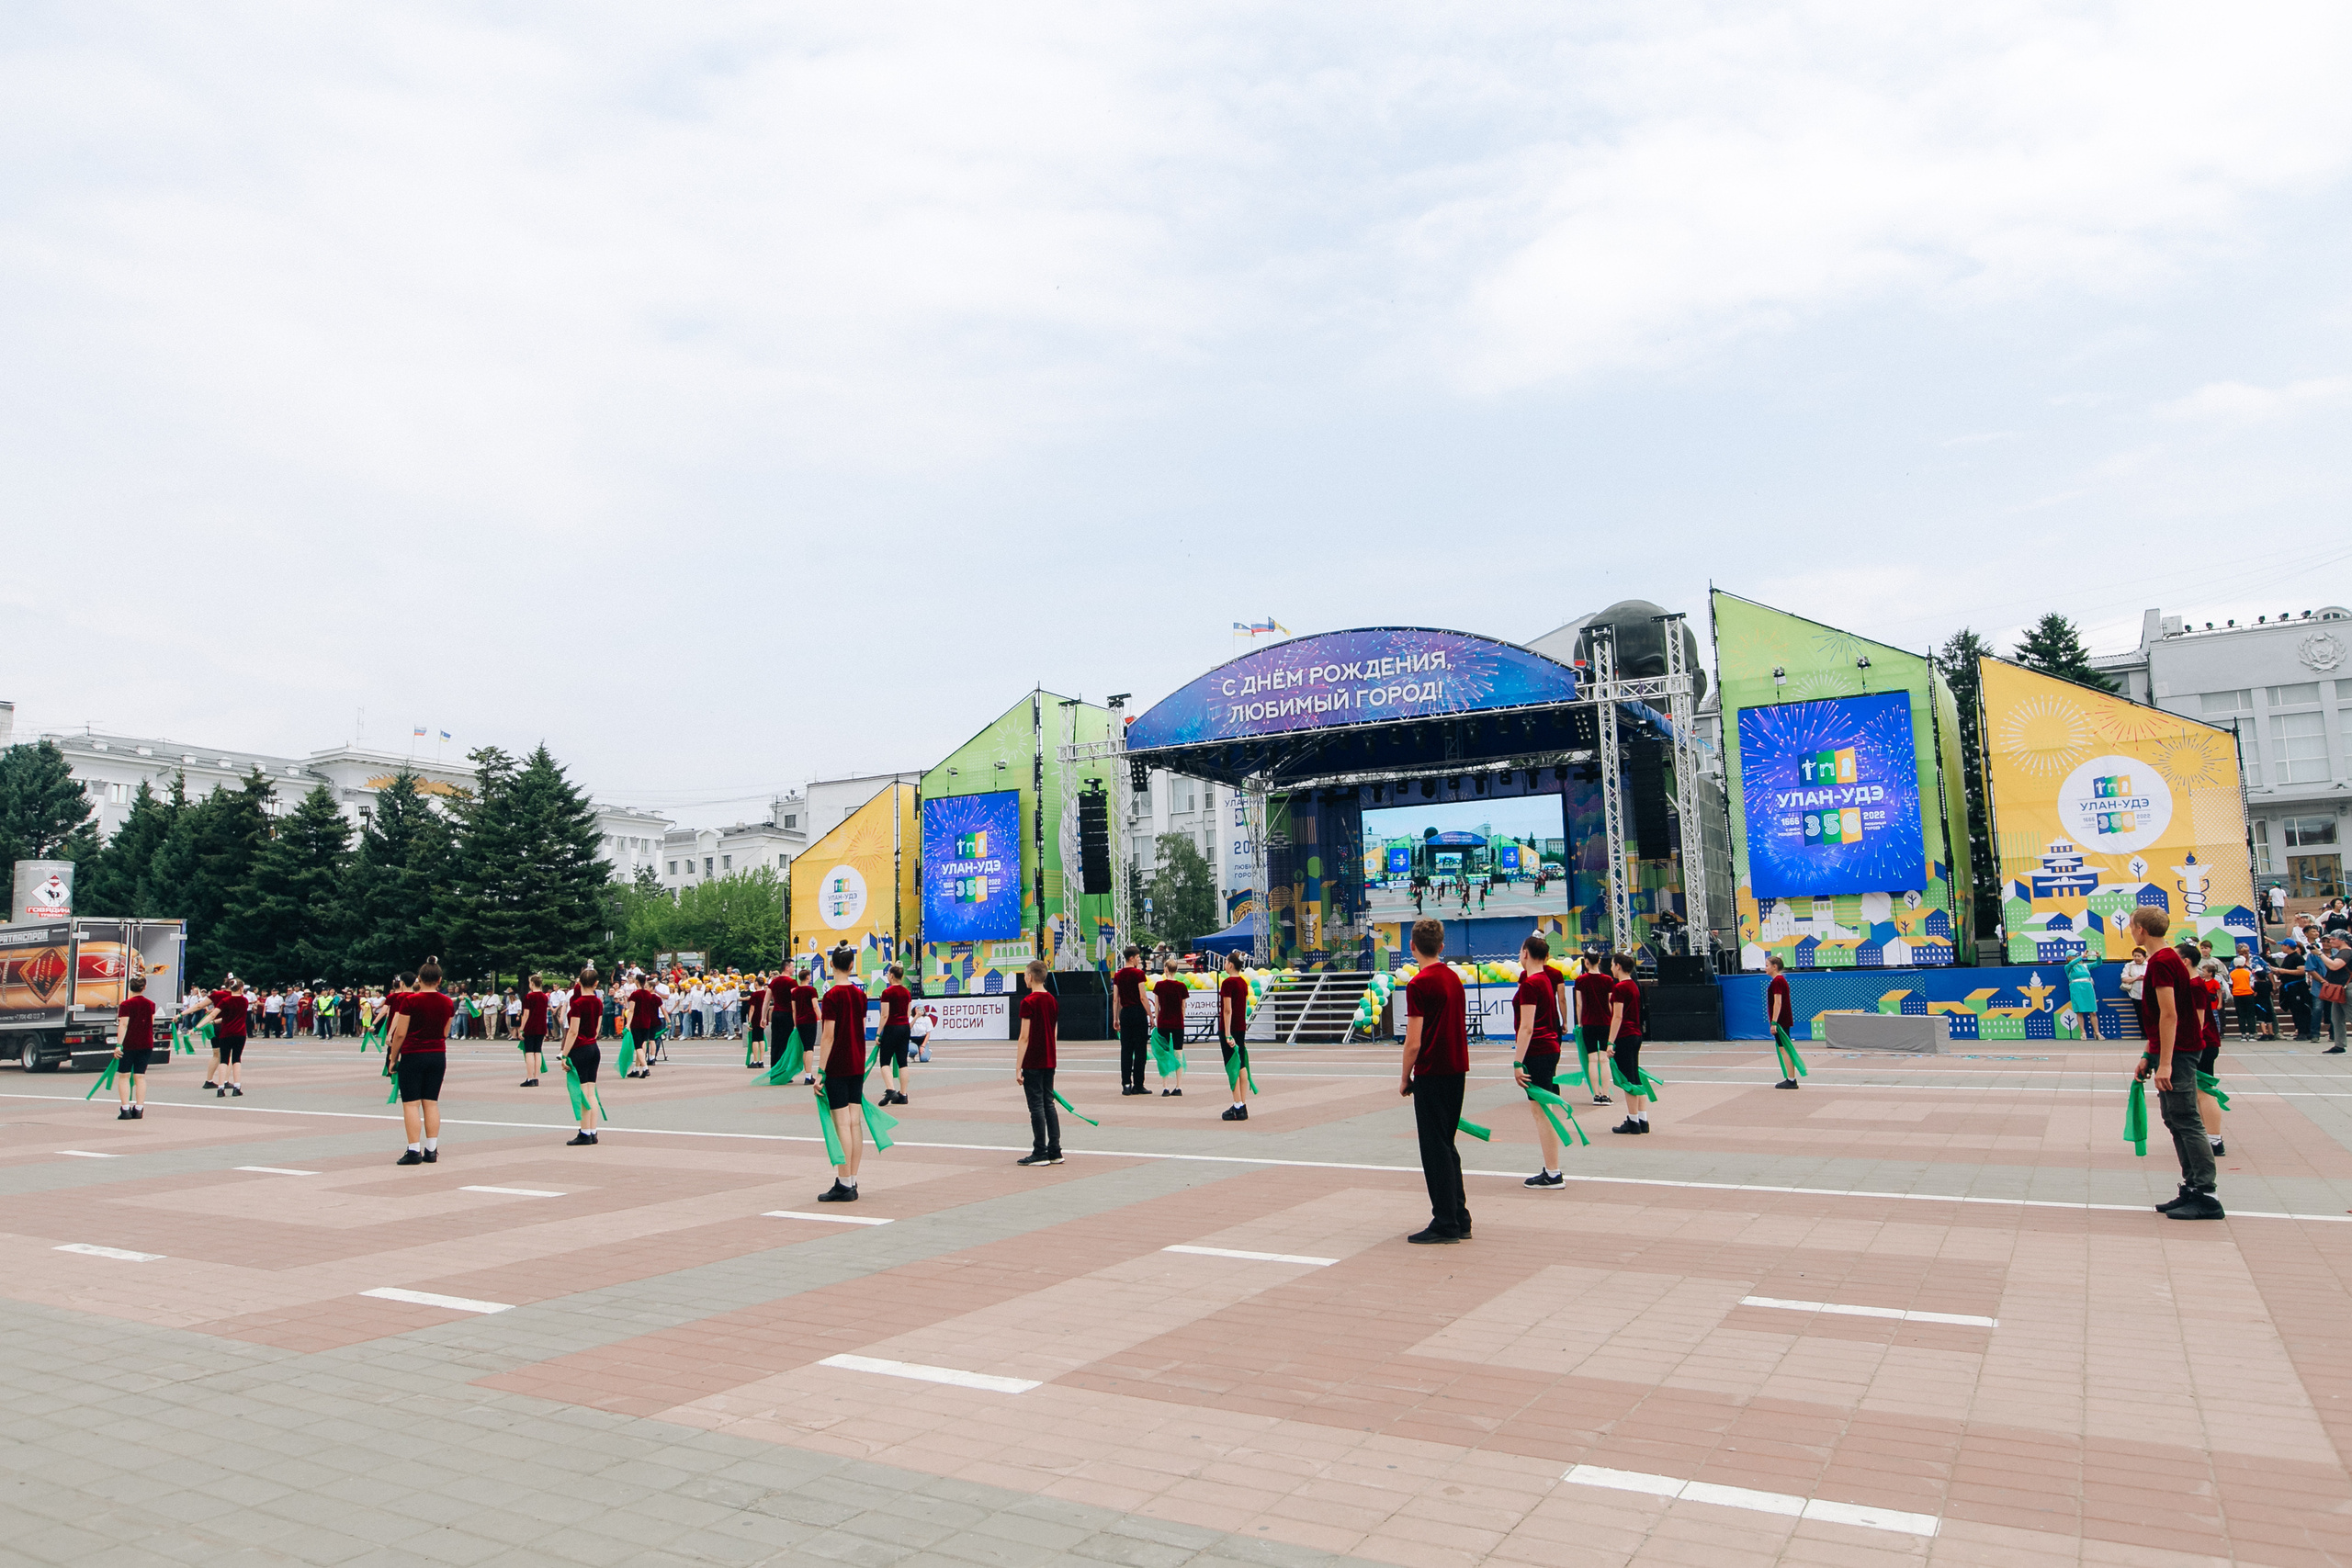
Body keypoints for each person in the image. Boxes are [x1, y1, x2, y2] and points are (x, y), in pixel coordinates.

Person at [2129, 907, 2221, 1218]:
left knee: (2186, 1119)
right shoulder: (2166, 960)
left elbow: (2170, 1015)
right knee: (2175, 1118)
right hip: (2172, 1049)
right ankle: (2192, 1186)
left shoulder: (2163, 962)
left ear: (2140, 929)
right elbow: (2161, 1017)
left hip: (2180, 1051)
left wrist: (2164, 1062)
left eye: (2131, 925)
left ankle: (2206, 1194)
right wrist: (2149, 1054)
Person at [1399, 917, 1470, 1243]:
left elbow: (1413, 1041)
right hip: (1457, 1069)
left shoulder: (1419, 984)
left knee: (1434, 1148)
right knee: (1447, 1143)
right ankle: (1459, 1214)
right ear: (1442, 947)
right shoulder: (1454, 979)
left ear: (1412, 946)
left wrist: (1404, 1076)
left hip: (1432, 1070)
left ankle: (1445, 1222)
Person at [384, 956, 457, 1166]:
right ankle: (432, 1150)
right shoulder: (447, 1002)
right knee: (431, 1103)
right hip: (437, 1055)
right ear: (439, 979)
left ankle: (413, 1150)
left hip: (414, 1054)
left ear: (419, 978)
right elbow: (445, 1032)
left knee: (411, 1104)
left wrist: (393, 1057)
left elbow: (400, 1034)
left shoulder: (410, 1001)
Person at [1510, 933, 1567, 1189]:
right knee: (1542, 1110)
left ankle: (1553, 1172)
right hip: (1547, 1048)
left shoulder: (1532, 984)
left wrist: (1517, 1062)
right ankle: (1551, 1169)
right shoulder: (1543, 979)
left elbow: (1527, 1028)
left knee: (1541, 1111)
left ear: (1525, 953)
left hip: (1538, 1051)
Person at [1015, 959, 1062, 1167]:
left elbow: (1024, 1037)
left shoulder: (1028, 1002)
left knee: (1036, 1105)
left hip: (1033, 1059)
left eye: (1025, 975)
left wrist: (1018, 1066)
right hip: (1049, 1059)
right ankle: (1055, 1150)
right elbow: (1054, 1031)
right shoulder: (1052, 1000)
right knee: (1048, 1103)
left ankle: (1040, 1151)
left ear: (1031, 977)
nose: (1025, 978)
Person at [1604, 952, 1650, 1134]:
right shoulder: (1634, 986)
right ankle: (1642, 1118)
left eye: (1613, 964)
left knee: (1628, 1080)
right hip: (1636, 1033)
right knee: (1635, 1076)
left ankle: (1633, 1121)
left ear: (1618, 966)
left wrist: (1610, 1042)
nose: (1611, 968)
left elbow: (1617, 1016)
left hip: (1625, 1035)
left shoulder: (1620, 988)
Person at [560, 966, 605, 1146]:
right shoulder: (598, 1002)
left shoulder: (577, 1004)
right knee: (591, 1092)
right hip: (594, 1047)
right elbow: (596, 1028)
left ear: (579, 982)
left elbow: (573, 1031)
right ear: (596, 983)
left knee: (582, 1093)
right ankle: (592, 1131)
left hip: (581, 1048)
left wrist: (564, 1054)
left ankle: (584, 1132)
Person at [191, 974, 250, 1097]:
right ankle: (237, 1086)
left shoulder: (225, 1001)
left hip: (226, 1033)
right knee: (236, 1059)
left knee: (224, 1060)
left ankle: (221, 1087)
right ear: (241, 988)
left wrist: (197, 1027)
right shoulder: (244, 1001)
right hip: (240, 1033)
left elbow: (213, 1015)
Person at [1572, 954, 1616, 1108]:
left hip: (1588, 1023)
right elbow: (1611, 1004)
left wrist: (1580, 1022)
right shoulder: (1608, 980)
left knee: (1592, 1060)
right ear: (1599, 961)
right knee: (1604, 1060)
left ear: (1586, 962)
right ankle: (1606, 1094)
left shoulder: (1581, 980)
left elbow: (1579, 1004)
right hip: (1605, 1023)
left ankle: (1596, 1094)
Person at [1217, 952, 1256, 1122]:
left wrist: (1226, 1033)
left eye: (1226, 962)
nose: (1224, 964)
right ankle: (1242, 1104)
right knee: (1242, 1065)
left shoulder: (1228, 983)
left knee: (1232, 1066)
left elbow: (1227, 1010)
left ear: (1231, 965)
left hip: (1230, 1029)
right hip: (1240, 1028)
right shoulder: (1243, 983)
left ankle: (1237, 1104)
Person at [112, 974, 156, 1120]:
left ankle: (125, 1109)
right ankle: (139, 1108)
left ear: (130, 987)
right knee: (140, 1076)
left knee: (124, 1075)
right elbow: (151, 1024)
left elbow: (123, 1025)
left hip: (129, 1044)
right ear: (144, 987)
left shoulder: (126, 1005)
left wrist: (119, 1044)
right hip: (146, 1043)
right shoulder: (150, 1004)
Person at [1112, 945, 1150, 1096]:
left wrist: (1116, 1017)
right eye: (1138, 957)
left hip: (1125, 1013)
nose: (1139, 960)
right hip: (1138, 1012)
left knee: (1126, 1049)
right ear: (1132, 958)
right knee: (1140, 1049)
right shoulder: (1138, 974)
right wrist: (1150, 1015)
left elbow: (1116, 998)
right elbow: (1143, 996)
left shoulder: (1118, 975)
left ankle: (1126, 1084)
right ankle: (1139, 1084)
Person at [876, 964, 913, 1105]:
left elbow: (884, 1015)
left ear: (891, 975)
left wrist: (879, 1033)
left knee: (885, 1061)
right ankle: (903, 1094)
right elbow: (908, 1012)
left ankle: (890, 1090)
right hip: (904, 1027)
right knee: (902, 1062)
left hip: (892, 1027)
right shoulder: (906, 992)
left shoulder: (887, 993)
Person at [1152, 957, 1189, 1096]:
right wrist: (1181, 1019)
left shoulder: (1159, 986)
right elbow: (1183, 1006)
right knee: (1178, 1053)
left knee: (1164, 1054)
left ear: (1165, 969)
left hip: (1163, 1022)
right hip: (1177, 1023)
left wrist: (1156, 1019)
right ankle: (1179, 1086)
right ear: (1177, 970)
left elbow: (1157, 1006)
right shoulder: (1182, 986)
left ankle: (1165, 1086)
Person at [1764, 953, 1801, 1089]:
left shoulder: (1778, 981)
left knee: (1784, 1049)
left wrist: (1774, 1022)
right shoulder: (1779, 980)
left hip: (1781, 1020)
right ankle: (1790, 1078)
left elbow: (1777, 1003)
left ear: (1775, 967)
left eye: (1767, 966)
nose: (1765, 968)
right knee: (1783, 1048)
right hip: (1782, 1019)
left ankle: (1791, 1079)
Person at [623, 976, 663, 1078]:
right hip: (647, 1022)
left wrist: (628, 1023)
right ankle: (636, 1069)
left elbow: (631, 1010)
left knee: (638, 1047)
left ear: (636, 981)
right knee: (643, 1044)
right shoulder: (648, 994)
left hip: (637, 1022)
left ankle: (645, 1068)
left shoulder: (635, 994)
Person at [2317, 934, 2351, 1054]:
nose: (2330, 942)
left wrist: (2320, 954)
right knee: (2336, 1018)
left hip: (2346, 988)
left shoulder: (2346, 952)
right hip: (2340, 988)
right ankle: (2339, 1045)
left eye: (2333, 939)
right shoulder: (2341, 952)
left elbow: (2334, 966)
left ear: (2342, 940)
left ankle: (2339, 1044)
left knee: (2349, 1016)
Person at [2274, 938, 2314, 1040]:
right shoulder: (2288, 958)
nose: (2281, 947)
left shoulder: (2297, 958)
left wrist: (2283, 971)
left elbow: (2301, 971)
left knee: (2300, 1010)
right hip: (2289, 987)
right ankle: (2300, 1030)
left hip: (2297, 988)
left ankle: (2304, 1031)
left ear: (2287, 946)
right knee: (2294, 1010)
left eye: (2283, 945)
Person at [517, 974, 549, 1086]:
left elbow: (526, 1015)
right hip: (541, 1027)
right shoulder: (545, 997)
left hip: (530, 1027)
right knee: (538, 1052)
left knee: (529, 1053)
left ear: (531, 984)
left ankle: (529, 1078)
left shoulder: (529, 997)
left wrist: (521, 1029)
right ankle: (536, 1077)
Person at [792, 966, 821, 1084]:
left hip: (799, 1021)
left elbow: (794, 1009)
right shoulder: (811, 990)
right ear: (808, 977)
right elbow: (815, 1006)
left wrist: (795, 1023)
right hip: (809, 1020)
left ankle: (808, 1073)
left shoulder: (795, 991)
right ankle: (808, 1075)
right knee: (810, 1048)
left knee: (805, 1048)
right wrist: (822, 1017)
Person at [2064, 948, 2101, 1041]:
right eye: (2074, 956)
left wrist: (2099, 957)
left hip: (2088, 988)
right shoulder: (2068, 968)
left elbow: (2098, 964)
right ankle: (2083, 1033)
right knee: (2079, 1011)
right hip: (2076, 988)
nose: (2077, 958)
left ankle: (2097, 1032)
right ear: (2068, 958)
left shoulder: (2085, 966)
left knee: (2093, 1011)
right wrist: (2082, 956)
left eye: (2078, 956)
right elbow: (2072, 964)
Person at [742, 971, 769, 1071]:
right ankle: (761, 1060)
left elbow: (752, 1009)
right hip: (763, 1017)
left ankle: (756, 1060)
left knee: (755, 1039)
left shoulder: (755, 995)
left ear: (756, 984)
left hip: (756, 1017)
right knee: (761, 1038)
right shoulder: (765, 994)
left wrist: (749, 1020)